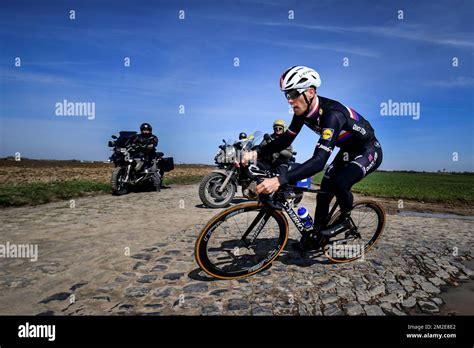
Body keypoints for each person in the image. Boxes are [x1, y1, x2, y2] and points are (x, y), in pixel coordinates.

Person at [244, 66, 383, 250]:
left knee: (341, 182)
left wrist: (279, 179)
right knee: (325, 191)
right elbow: (286, 139)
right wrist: (256, 153)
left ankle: (345, 219)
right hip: (347, 150)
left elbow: (319, 161)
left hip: (368, 149)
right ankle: (317, 238)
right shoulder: (302, 112)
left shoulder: (332, 115)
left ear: (310, 92)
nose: (290, 100)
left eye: (294, 93)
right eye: (287, 95)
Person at [130, 123, 161, 191]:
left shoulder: (153, 137)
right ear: (141, 130)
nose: (145, 131)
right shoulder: (137, 136)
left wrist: (151, 146)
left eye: (147, 130)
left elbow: (154, 143)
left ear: (150, 130)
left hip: (150, 156)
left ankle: (157, 186)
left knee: (153, 170)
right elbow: (131, 142)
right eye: (144, 129)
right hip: (138, 155)